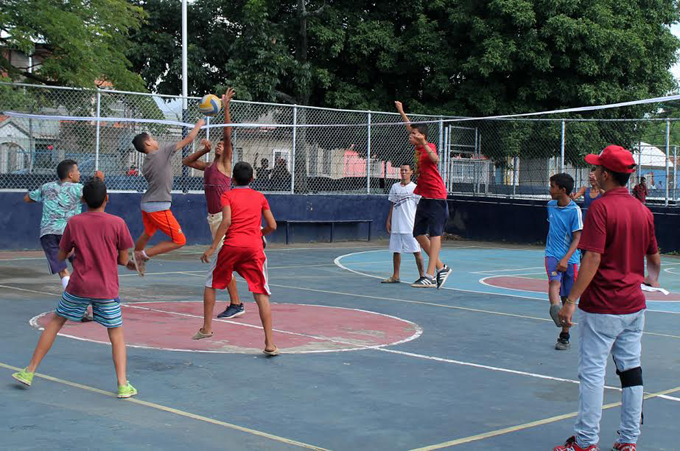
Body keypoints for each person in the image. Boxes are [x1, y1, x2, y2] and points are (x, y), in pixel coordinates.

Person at [554, 145, 661, 451]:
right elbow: (654, 259)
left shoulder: (601, 208)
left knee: (591, 373)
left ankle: (586, 441)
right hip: (634, 306)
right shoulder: (643, 210)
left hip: (602, 306)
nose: (595, 172)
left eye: (598, 168)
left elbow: (592, 258)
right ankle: (628, 439)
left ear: (605, 174)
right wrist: (648, 280)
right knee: (631, 371)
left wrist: (571, 299)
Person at [12, 179, 138, 398]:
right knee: (116, 334)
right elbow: (122, 259)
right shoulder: (117, 223)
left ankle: (29, 371)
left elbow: (61, 255)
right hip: (106, 288)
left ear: (82, 200)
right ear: (107, 198)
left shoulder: (75, 223)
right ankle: (122, 384)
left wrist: (74, 254)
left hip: (78, 285)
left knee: (56, 322)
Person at [195, 162, 278, 356]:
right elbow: (272, 225)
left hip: (231, 246)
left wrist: (212, 247)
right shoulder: (260, 197)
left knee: (211, 283)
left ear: (232, 179)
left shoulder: (227, 195)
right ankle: (269, 343)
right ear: (252, 179)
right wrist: (260, 234)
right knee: (260, 292)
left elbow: (227, 222)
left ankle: (206, 328)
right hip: (254, 249)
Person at [182, 88, 243, 319]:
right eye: (216, 145)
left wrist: (226, 106)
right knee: (226, 260)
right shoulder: (208, 166)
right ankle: (236, 302)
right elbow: (186, 161)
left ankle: (236, 303)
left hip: (223, 217)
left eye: (221, 146)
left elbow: (227, 134)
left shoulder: (225, 164)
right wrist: (202, 149)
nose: (219, 146)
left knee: (223, 261)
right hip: (213, 218)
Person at [128, 118, 205, 276]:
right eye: (153, 138)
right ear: (148, 144)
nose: (156, 141)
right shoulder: (160, 153)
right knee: (180, 240)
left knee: (149, 232)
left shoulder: (147, 163)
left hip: (148, 203)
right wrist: (199, 124)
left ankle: (136, 253)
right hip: (158, 206)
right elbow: (189, 139)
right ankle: (142, 256)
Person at [24, 160, 103, 303]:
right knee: (81, 265)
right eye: (77, 170)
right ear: (70, 174)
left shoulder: (47, 187)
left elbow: (27, 198)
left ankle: (72, 300)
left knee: (62, 270)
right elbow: (95, 199)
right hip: (70, 233)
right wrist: (99, 182)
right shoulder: (79, 189)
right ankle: (87, 297)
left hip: (48, 234)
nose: (79, 173)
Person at [395, 101, 452, 289]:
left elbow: (435, 159)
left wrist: (425, 143)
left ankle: (430, 275)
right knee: (418, 233)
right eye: (411, 133)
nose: (410, 135)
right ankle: (441, 267)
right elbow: (409, 126)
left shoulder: (429, 147)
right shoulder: (417, 147)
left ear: (422, 136)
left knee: (435, 234)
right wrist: (402, 111)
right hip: (425, 196)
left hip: (436, 196)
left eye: (414, 134)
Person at [545, 173, 583, 351]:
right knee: (554, 282)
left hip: (571, 258)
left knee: (567, 298)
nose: (550, 189)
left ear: (562, 190)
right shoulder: (550, 206)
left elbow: (577, 239)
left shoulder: (575, 211)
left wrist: (566, 259)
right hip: (552, 254)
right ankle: (554, 309)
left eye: (552, 186)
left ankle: (564, 336)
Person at [382, 162, 425, 284]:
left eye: (406, 170)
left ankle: (423, 277)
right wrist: (389, 220)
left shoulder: (415, 188)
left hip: (410, 226)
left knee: (416, 251)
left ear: (411, 172)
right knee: (396, 251)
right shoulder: (395, 187)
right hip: (396, 226)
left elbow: (420, 208)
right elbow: (392, 204)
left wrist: (419, 224)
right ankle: (396, 276)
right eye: (402, 170)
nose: (403, 172)